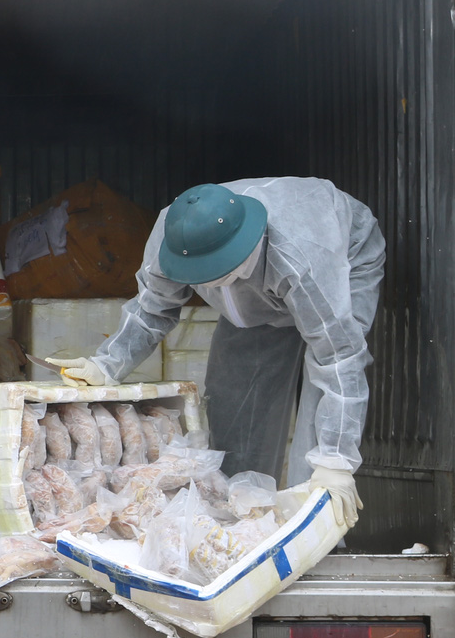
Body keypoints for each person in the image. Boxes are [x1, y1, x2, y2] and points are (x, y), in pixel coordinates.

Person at [53, 179, 385, 523]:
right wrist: (107, 365)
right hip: (267, 278)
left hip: (344, 253)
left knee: (323, 407)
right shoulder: (173, 235)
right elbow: (152, 308)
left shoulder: (300, 258)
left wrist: (335, 461)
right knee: (234, 398)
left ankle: (314, 525)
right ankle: (245, 517)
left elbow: (338, 357)